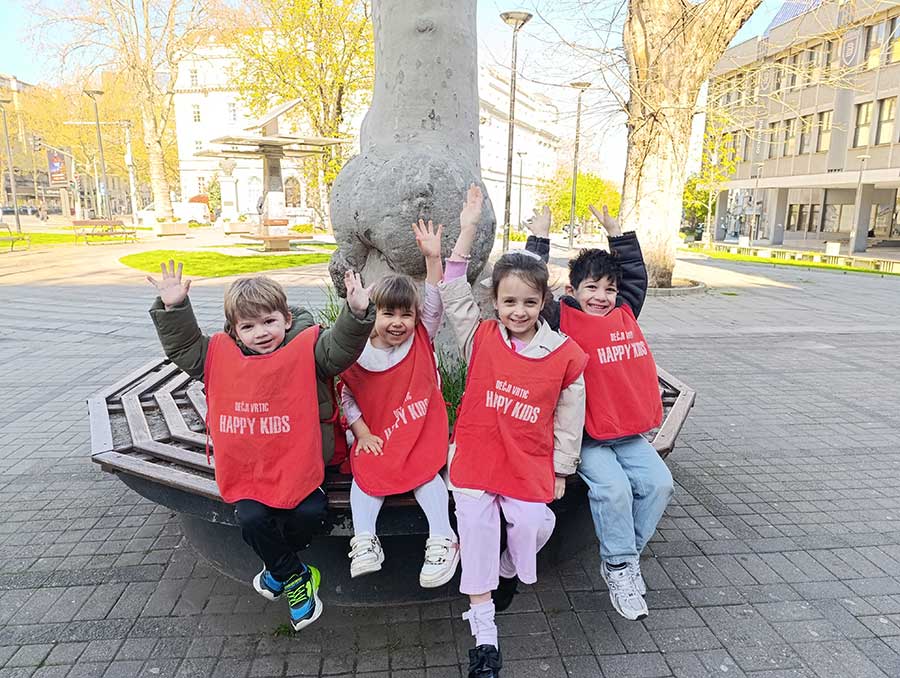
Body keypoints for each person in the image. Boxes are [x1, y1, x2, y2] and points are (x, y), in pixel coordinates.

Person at [147, 262, 375, 631]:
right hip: (249, 471)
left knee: (309, 514)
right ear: (234, 332)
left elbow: (341, 348)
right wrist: (175, 309)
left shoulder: (310, 350)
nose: (261, 332)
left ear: (286, 319)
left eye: (269, 321)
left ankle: (277, 571)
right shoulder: (220, 357)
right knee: (251, 519)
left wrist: (357, 313)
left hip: (301, 466)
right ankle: (296, 576)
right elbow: (185, 347)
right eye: (248, 326)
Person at [439, 185, 587, 678]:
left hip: (527, 463)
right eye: (508, 301)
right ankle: (485, 641)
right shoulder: (479, 337)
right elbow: (452, 289)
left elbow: (570, 416)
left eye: (528, 301)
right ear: (495, 302)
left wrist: (562, 468)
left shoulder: (563, 354)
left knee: (534, 525)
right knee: (477, 533)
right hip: (476, 461)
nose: (518, 311)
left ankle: (506, 572)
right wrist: (467, 229)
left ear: (543, 301)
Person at [525, 205, 674, 622]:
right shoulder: (560, 319)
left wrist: (617, 233)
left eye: (609, 289)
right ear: (572, 289)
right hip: (587, 437)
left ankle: (622, 562)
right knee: (613, 491)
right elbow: (530, 285)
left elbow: (636, 278)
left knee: (660, 484)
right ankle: (622, 565)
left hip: (627, 432)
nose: (601, 297)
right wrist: (540, 239)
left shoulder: (623, 312)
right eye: (591, 287)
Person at [339, 220, 458, 587]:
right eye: (387, 313)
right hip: (379, 429)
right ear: (372, 314)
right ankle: (364, 539)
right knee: (366, 471)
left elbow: (434, 300)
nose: (398, 322)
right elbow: (347, 396)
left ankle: (443, 537)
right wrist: (362, 433)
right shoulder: (358, 353)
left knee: (425, 473)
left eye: (406, 314)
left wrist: (433, 259)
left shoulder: (421, 336)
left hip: (421, 427)